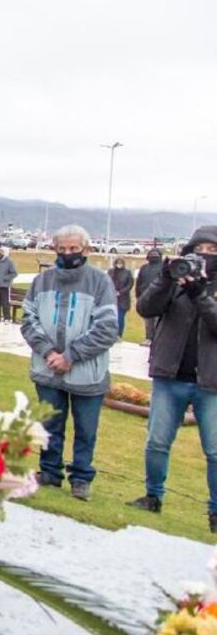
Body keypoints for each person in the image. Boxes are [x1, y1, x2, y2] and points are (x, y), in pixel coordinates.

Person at [128, 226, 217, 533]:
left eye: (212, 250)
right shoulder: (175, 280)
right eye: (199, 249)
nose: (205, 256)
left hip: (211, 381)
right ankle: (153, 496)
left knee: (215, 451)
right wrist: (166, 279)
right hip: (170, 374)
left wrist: (201, 294)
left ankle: (215, 510)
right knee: (157, 442)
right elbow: (145, 308)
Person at [20, 225, 117, 501]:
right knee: (50, 424)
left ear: (86, 249)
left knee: (86, 429)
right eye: (62, 249)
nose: (68, 254)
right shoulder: (42, 281)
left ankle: (81, 478)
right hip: (47, 368)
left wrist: (71, 355)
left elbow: (107, 327)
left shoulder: (100, 282)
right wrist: (49, 352)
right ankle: (49, 472)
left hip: (87, 372)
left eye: (74, 249)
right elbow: (28, 320)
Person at [136, 248, 164, 347]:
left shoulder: (163, 267)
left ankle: (157, 339)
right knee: (148, 321)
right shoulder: (144, 268)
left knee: (158, 320)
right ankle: (148, 338)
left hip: (159, 298)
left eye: (156, 255)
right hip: (146, 297)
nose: (153, 257)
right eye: (151, 255)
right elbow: (139, 281)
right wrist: (138, 295)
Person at [108, 257, 134, 341]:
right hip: (111, 298)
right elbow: (107, 282)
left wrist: (120, 292)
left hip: (123, 299)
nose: (119, 264)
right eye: (117, 263)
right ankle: (110, 334)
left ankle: (119, 335)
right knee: (111, 317)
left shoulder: (127, 272)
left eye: (120, 263)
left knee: (120, 317)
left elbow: (130, 285)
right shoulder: (111, 272)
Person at [0, 246, 18, 322]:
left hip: (4, 286)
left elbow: (14, 273)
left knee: (5, 303)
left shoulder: (10, 262)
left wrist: (5, 278)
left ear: (6, 253)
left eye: (2, 252)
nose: (0, 253)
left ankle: (7, 318)